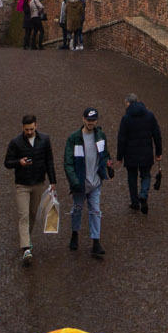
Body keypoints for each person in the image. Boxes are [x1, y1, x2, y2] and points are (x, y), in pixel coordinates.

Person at [2, 113, 57, 267]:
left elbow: (49, 160)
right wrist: (19, 162)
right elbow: (7, 162)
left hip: (38, 183)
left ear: (36, 126)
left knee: (33, 213)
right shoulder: (16, 142)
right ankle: (26, 248)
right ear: (23, 128)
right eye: (27, 130)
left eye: (32, 129)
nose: (29, 132)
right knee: (23, 215)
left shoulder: (45, 140)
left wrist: (53, 180)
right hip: (22, 185)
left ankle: (27, 239)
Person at [63, 108, 113, 258]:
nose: (91, 123)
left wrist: (108, 167)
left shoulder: (101, 136)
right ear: (83, 119)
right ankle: (74, 232)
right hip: (80, 183)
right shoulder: (74, 138)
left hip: (95, 182)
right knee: (77, 209)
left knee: (96, 211)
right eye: (89, 120)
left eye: (93, 120)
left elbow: (105, 155)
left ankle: (96, 242)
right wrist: (74, 181)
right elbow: (68, 163)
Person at [115, 94, 163, 214]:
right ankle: (143, 194)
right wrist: (158, 152)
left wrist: (119, 157)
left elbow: (121, 139)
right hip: (146, 151)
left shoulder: (126, 118)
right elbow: (157, 135)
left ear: (128, 103)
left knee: (132, 177)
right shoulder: (150, 116)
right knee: (146, 175)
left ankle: (135, 202)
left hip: (130, 153)